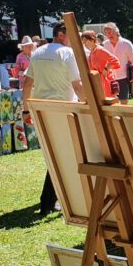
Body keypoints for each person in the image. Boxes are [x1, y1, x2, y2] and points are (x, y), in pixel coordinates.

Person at [23, 22, 85, 215]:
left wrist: (26, 110)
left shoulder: (37, 52)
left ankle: (51, 200)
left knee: (56, 155)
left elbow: (27, 84)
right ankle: (49, 201)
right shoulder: (67, 53)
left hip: (42, 110)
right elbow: (77, 85)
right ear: (60, 34)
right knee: (63, 156)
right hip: (63, 110)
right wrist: (90, 105)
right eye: (72, 35)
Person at [102, 22, 133, 104]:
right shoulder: (105, 44)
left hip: (123, 77)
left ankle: (124, 117)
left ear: (116, 31)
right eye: (106, 33)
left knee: (123, 101)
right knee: (111, 101)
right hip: (110, 78)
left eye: (110, 32)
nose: (109, 35)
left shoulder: (126, 44)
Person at [81, 30, 121, 99]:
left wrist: (106, 69)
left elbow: (115, 60)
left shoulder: (100, 50)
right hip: (98, 83)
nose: (84, 43)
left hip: (106, 83)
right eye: (83, 41)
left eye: (85, 40)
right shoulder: (92, 51)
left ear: (92, 39)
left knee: (109, 105)